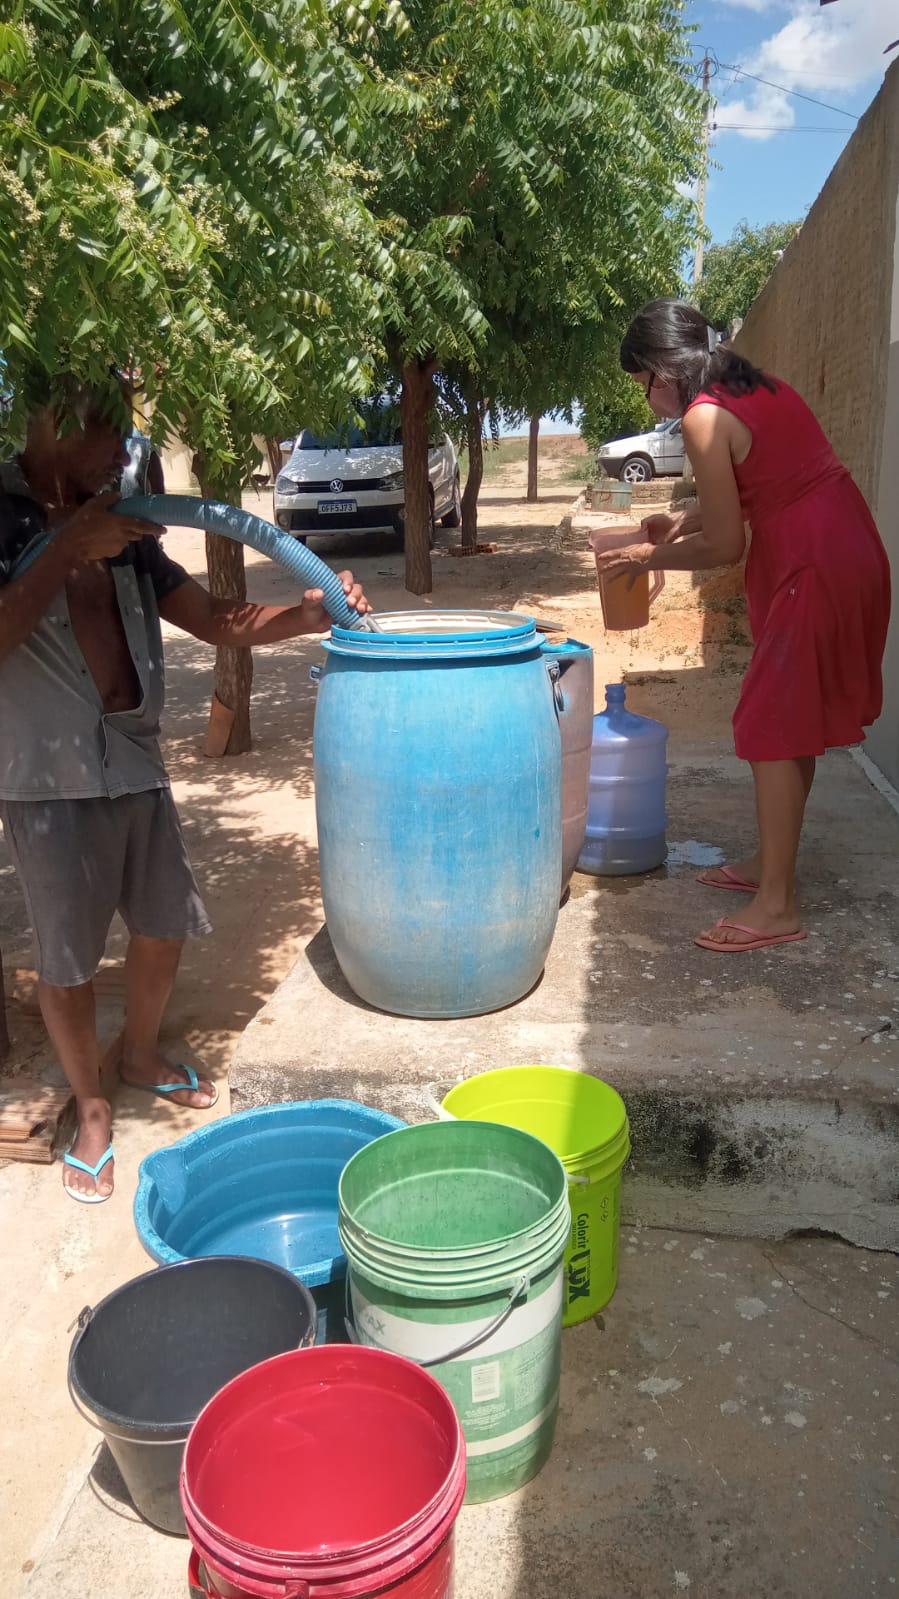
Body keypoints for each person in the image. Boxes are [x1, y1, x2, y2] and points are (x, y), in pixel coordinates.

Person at [0, 378, 371, 1202]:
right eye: (108, 433)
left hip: (132, 756)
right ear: (54, 427)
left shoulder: (124, 520)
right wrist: (67, 544)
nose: (122, 451)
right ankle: (92, 1109)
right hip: (45, 776)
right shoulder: (7, 513)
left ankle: (136, 1053)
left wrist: (308, 612)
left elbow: (213, 618)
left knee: (163, 924)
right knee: (65, 958)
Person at [594, 298, 891, 954]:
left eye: (644, 381)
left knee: (769, 722)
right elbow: (767, 483)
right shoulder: (752, 387)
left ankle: (777, 904)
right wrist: (679, 521)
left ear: (668, 366)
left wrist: (648, 555)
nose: (647, 399)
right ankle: (770, 866)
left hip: (811, 563)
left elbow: (726, 546)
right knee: (792, 717)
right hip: (842, 544)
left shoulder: (704, 418)